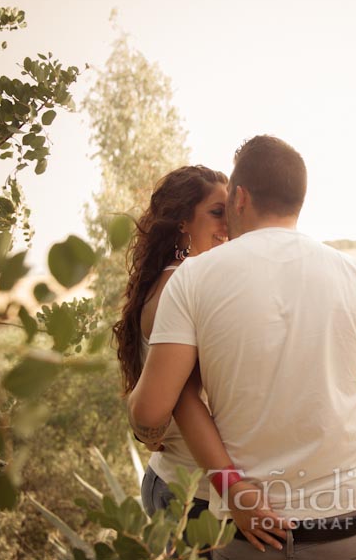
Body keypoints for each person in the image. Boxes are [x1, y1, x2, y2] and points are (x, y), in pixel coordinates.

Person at [128, 136, 356, 560]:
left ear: (240, 197)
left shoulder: (191, 279)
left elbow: (154, 410)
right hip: (355, 527)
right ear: (298, 201)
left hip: (248, 536)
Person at [113, 164, 229, 535]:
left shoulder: (168, 277)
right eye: (216, 213)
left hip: (176, 481)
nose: (228, 225)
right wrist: (146, 429)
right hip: (189, 495)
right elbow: (158, 404)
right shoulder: (182, 285)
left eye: (231, 212)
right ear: (182, 221)